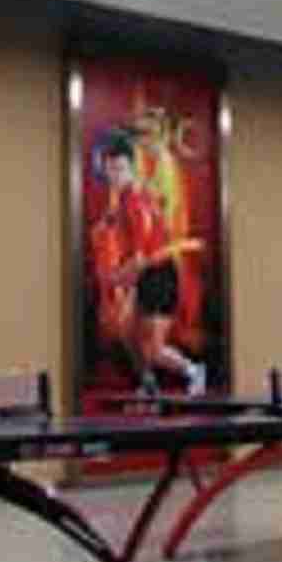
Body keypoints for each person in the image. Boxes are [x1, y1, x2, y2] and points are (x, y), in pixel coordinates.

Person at [94, 133, 206, 397]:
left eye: (119, 168)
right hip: (145, 273)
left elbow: (141, 257)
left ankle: (194, 371)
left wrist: (116, 278)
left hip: (159, 274)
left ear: (131, 167)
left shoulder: (135, 199)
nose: (114, 175)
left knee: (153, 350)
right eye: (109, 169)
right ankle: (147, 384)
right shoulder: (124, 197)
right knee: (125, 331)